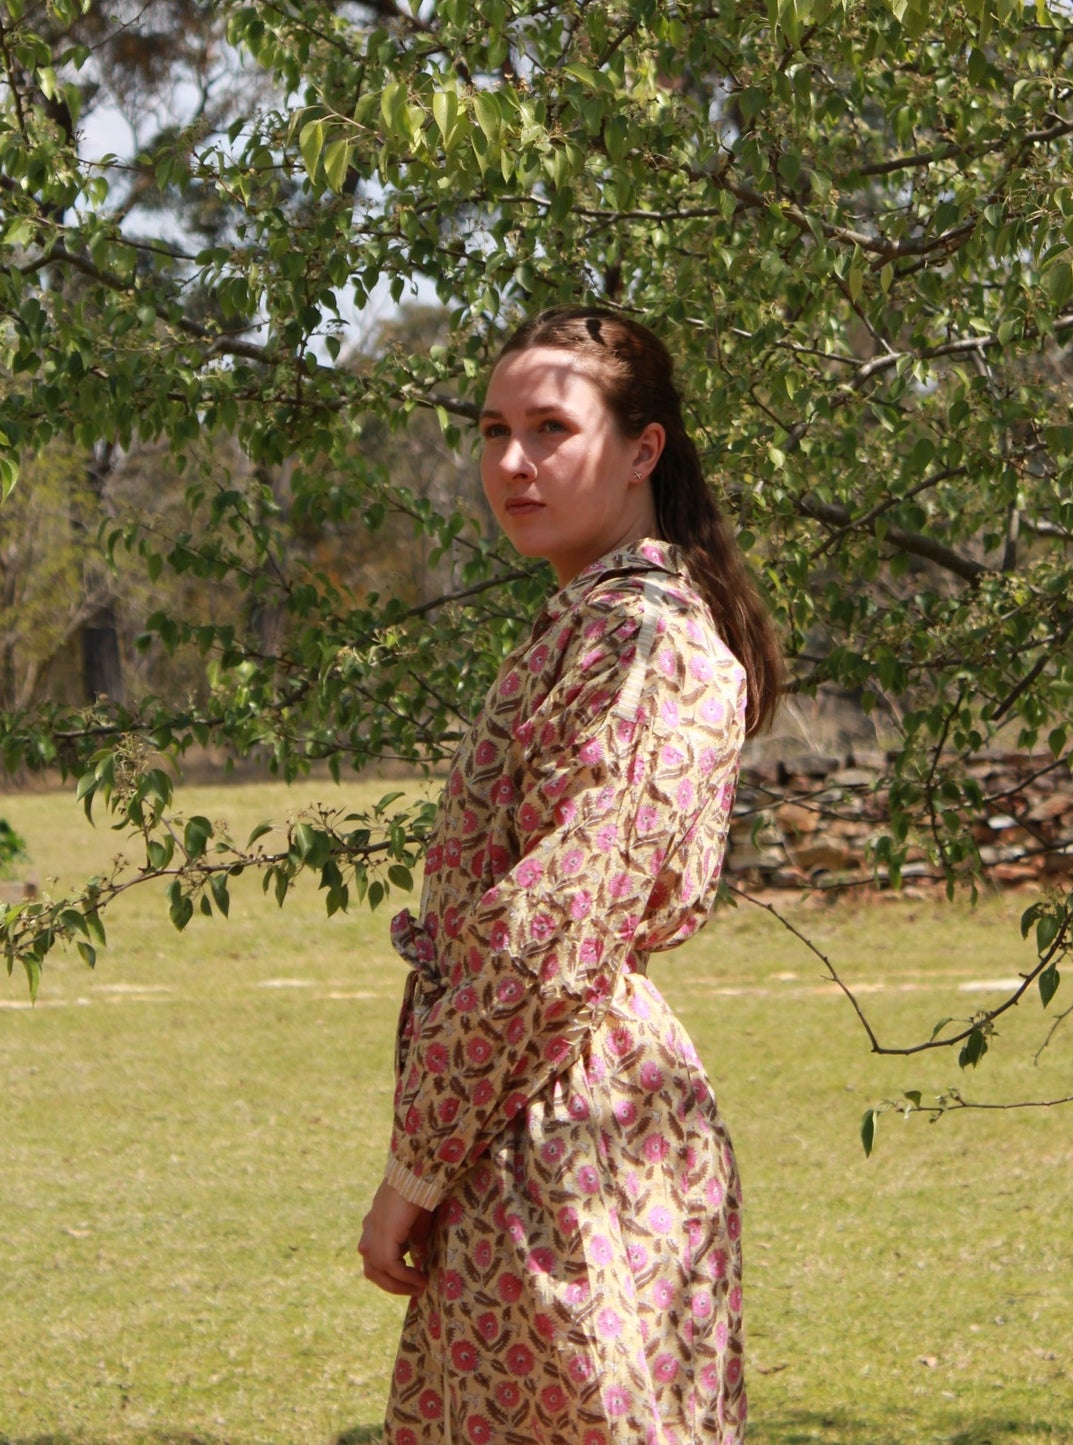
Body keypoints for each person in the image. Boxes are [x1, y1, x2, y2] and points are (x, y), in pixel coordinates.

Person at [358, 305, 782, 1445]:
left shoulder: (648, 647)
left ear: (642, 448)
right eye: (492, 429)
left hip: (573, 1135)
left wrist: (416, 1161)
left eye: (549, 427)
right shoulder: (586, 626)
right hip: (530, 1121)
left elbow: (552, 930)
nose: (510, 462)